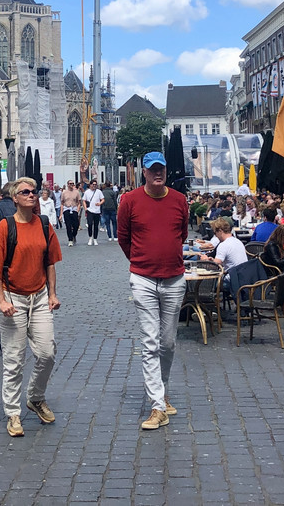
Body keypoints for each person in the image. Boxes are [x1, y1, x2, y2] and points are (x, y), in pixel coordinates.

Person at [0, 176, 62, 436]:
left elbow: (50, 262)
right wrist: (1, 300)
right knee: (14, 359)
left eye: (34, 191)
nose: (31, 195)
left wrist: (52, 294)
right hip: (13, 297)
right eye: (25, 192)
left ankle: (35, 397)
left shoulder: (44, 224)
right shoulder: (5, 227)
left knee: (47, 353)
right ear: (15, 198)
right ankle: (13, 413)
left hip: (38, 297)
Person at [118, 152, 189, 431]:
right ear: (144, 173)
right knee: (150, 341)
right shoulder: (131, 200)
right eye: (152, 169)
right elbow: (124, 238)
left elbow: (181, 234)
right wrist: (140, 261)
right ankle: (157, 406)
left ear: (166, 171)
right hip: (143, 279)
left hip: (174, 278)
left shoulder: (179, 200)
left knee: (168, 342)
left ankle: (163, 389)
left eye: (161, 168)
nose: (157, 173)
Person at [83, 179, 104, 245]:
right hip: (90, 210)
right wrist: (85, 208)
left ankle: (95, 239)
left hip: (97, 211)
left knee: (96, 225)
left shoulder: (99, 192)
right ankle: (90, 237)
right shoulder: (87, 192)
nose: (94, 186)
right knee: (89, 224)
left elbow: (103, 199)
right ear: (90, 185)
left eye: (95, 184)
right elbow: (84, 200)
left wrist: (100, 203)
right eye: (93, 184)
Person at [62, 181, 82, 246]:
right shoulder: (64, 192)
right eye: (70, 184)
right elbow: (62, 203)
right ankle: (70, 240)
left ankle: (74, 235)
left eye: (73, 184)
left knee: (76, 225)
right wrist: (60, 213)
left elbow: (79, 202)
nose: (72, 185)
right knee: (68, 225)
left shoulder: (76, 192)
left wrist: (77, 210)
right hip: (66, 209)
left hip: (74, 209)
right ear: (68, 185)